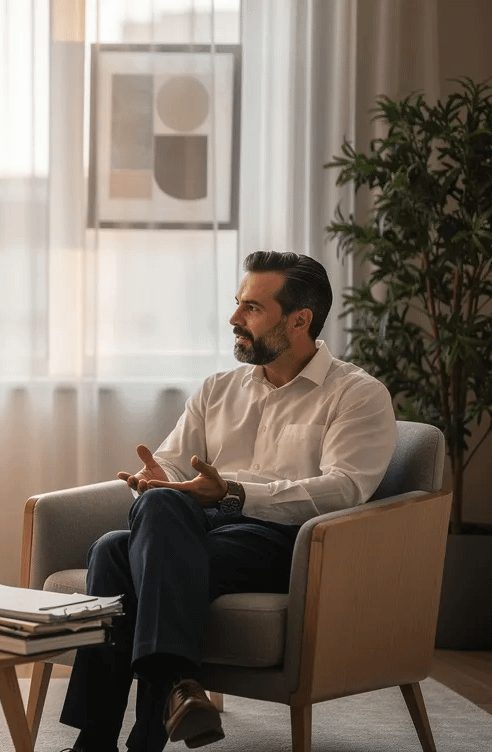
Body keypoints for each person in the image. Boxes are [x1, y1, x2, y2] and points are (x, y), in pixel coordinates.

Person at [59, 251, 397, 752]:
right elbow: (174, 462)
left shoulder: (356, 395)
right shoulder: (218, 389)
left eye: (253, 308)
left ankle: (98, 742)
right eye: (238, 304)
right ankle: (174, 694)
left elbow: (344, 489)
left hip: (287, 542)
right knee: (125, 534)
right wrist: (160, 478)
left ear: (300, 320)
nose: (235, 319)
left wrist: (237, 494)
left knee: (112, 552)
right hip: (204, 530)